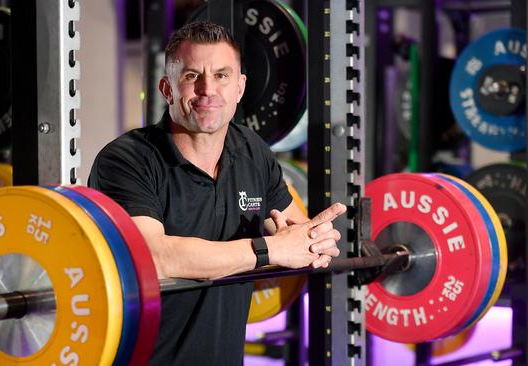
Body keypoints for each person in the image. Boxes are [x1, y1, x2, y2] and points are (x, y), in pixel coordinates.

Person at [89, 21, 345, 365]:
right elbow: (154, 258)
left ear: (240, 88)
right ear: (167, 88)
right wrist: (270, 248)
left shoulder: (252, 150)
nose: (208, 89)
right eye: (192, 76)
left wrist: (315, 240)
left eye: (222, 76)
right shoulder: (127, 159)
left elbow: (293, 230)